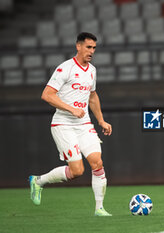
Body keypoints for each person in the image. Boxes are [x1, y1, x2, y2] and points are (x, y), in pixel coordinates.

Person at [29, 32, 112, 217]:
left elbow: (92, 96)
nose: (91, 51)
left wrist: (101, 120)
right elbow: (47, 95)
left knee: (97, 162)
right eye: (88, 47)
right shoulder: (65, 68)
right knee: (77, 171)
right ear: (78, 46)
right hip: (62, 124)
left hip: (84, 125)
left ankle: (99, 208)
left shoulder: (92, 70)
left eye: (94, 48)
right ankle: (38, 181)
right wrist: (71, 109)